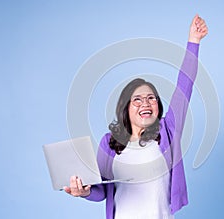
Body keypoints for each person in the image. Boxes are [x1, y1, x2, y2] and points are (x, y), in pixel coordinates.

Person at [64, 14, 208, 219]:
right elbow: (101, 191)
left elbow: (184, 86)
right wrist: (83, 191)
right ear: (126, 107)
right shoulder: (109, 143)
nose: (146, 103)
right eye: (138, 100)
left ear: (157, 106)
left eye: (151, 98)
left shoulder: (168, 132)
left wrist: (193, 41)